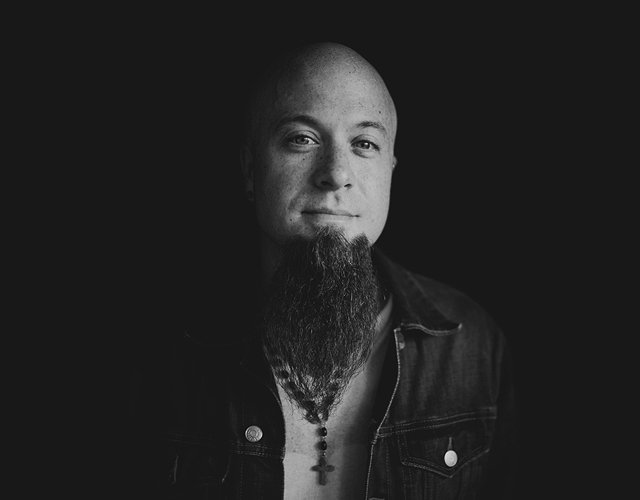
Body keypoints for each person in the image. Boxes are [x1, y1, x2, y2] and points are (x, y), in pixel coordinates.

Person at [129, 41, 518, 499]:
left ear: (390, 171)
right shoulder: (162, 347)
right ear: (250, 169)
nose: (335, 173)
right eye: (302, 139)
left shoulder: (471, 343)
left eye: (364, 144)